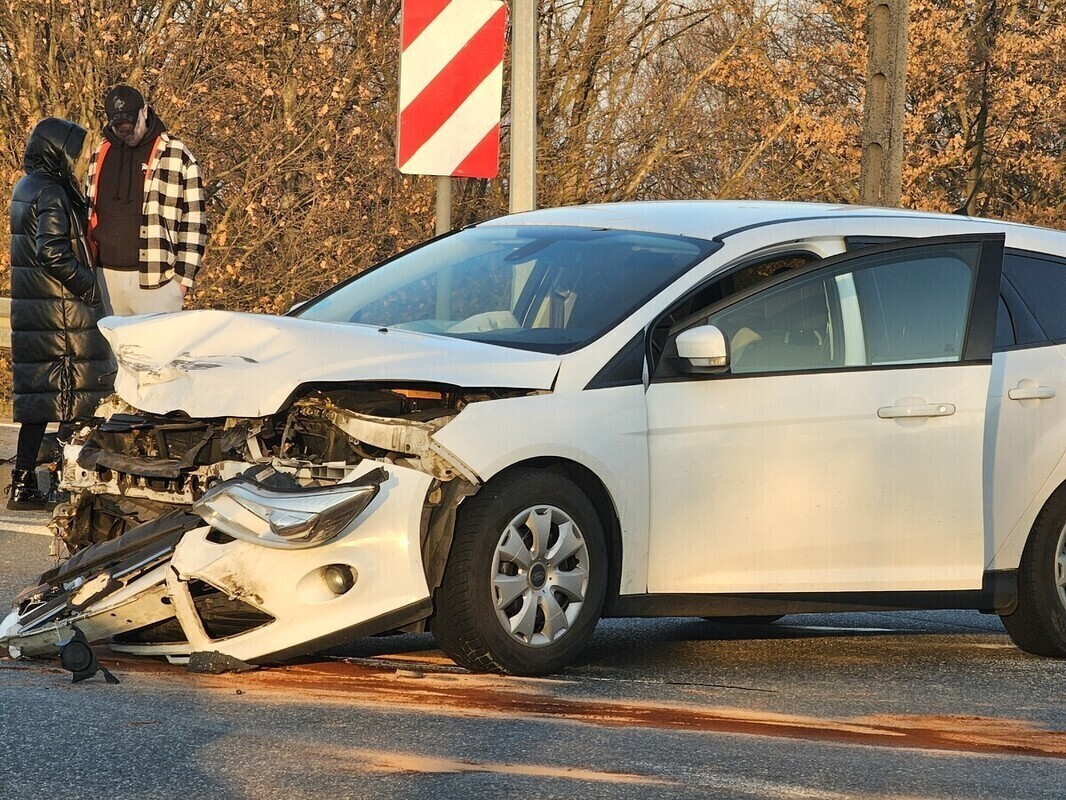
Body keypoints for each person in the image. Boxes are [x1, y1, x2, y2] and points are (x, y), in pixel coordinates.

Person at [8, 118, 114, 510]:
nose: (76, 159)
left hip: (38, 309)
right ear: (54, 151)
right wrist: (91, 288)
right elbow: (52, 252)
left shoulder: (26, 186)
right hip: (63, 314)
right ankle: (58, 480)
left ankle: (23, 483)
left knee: (40, 405)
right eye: (70, 151)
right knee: (76, 400)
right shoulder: (51, 193)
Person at [87, 85, 207, 314]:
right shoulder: (100, 153)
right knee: (108, 351)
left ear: (144, 111)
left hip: (158, 282)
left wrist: (182, 282)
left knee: (157, 350)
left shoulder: (176, 153)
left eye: (132, 126)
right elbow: (88, 212)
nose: (127, 133)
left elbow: (195, 221)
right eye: (119, 128)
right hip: (103, 279)